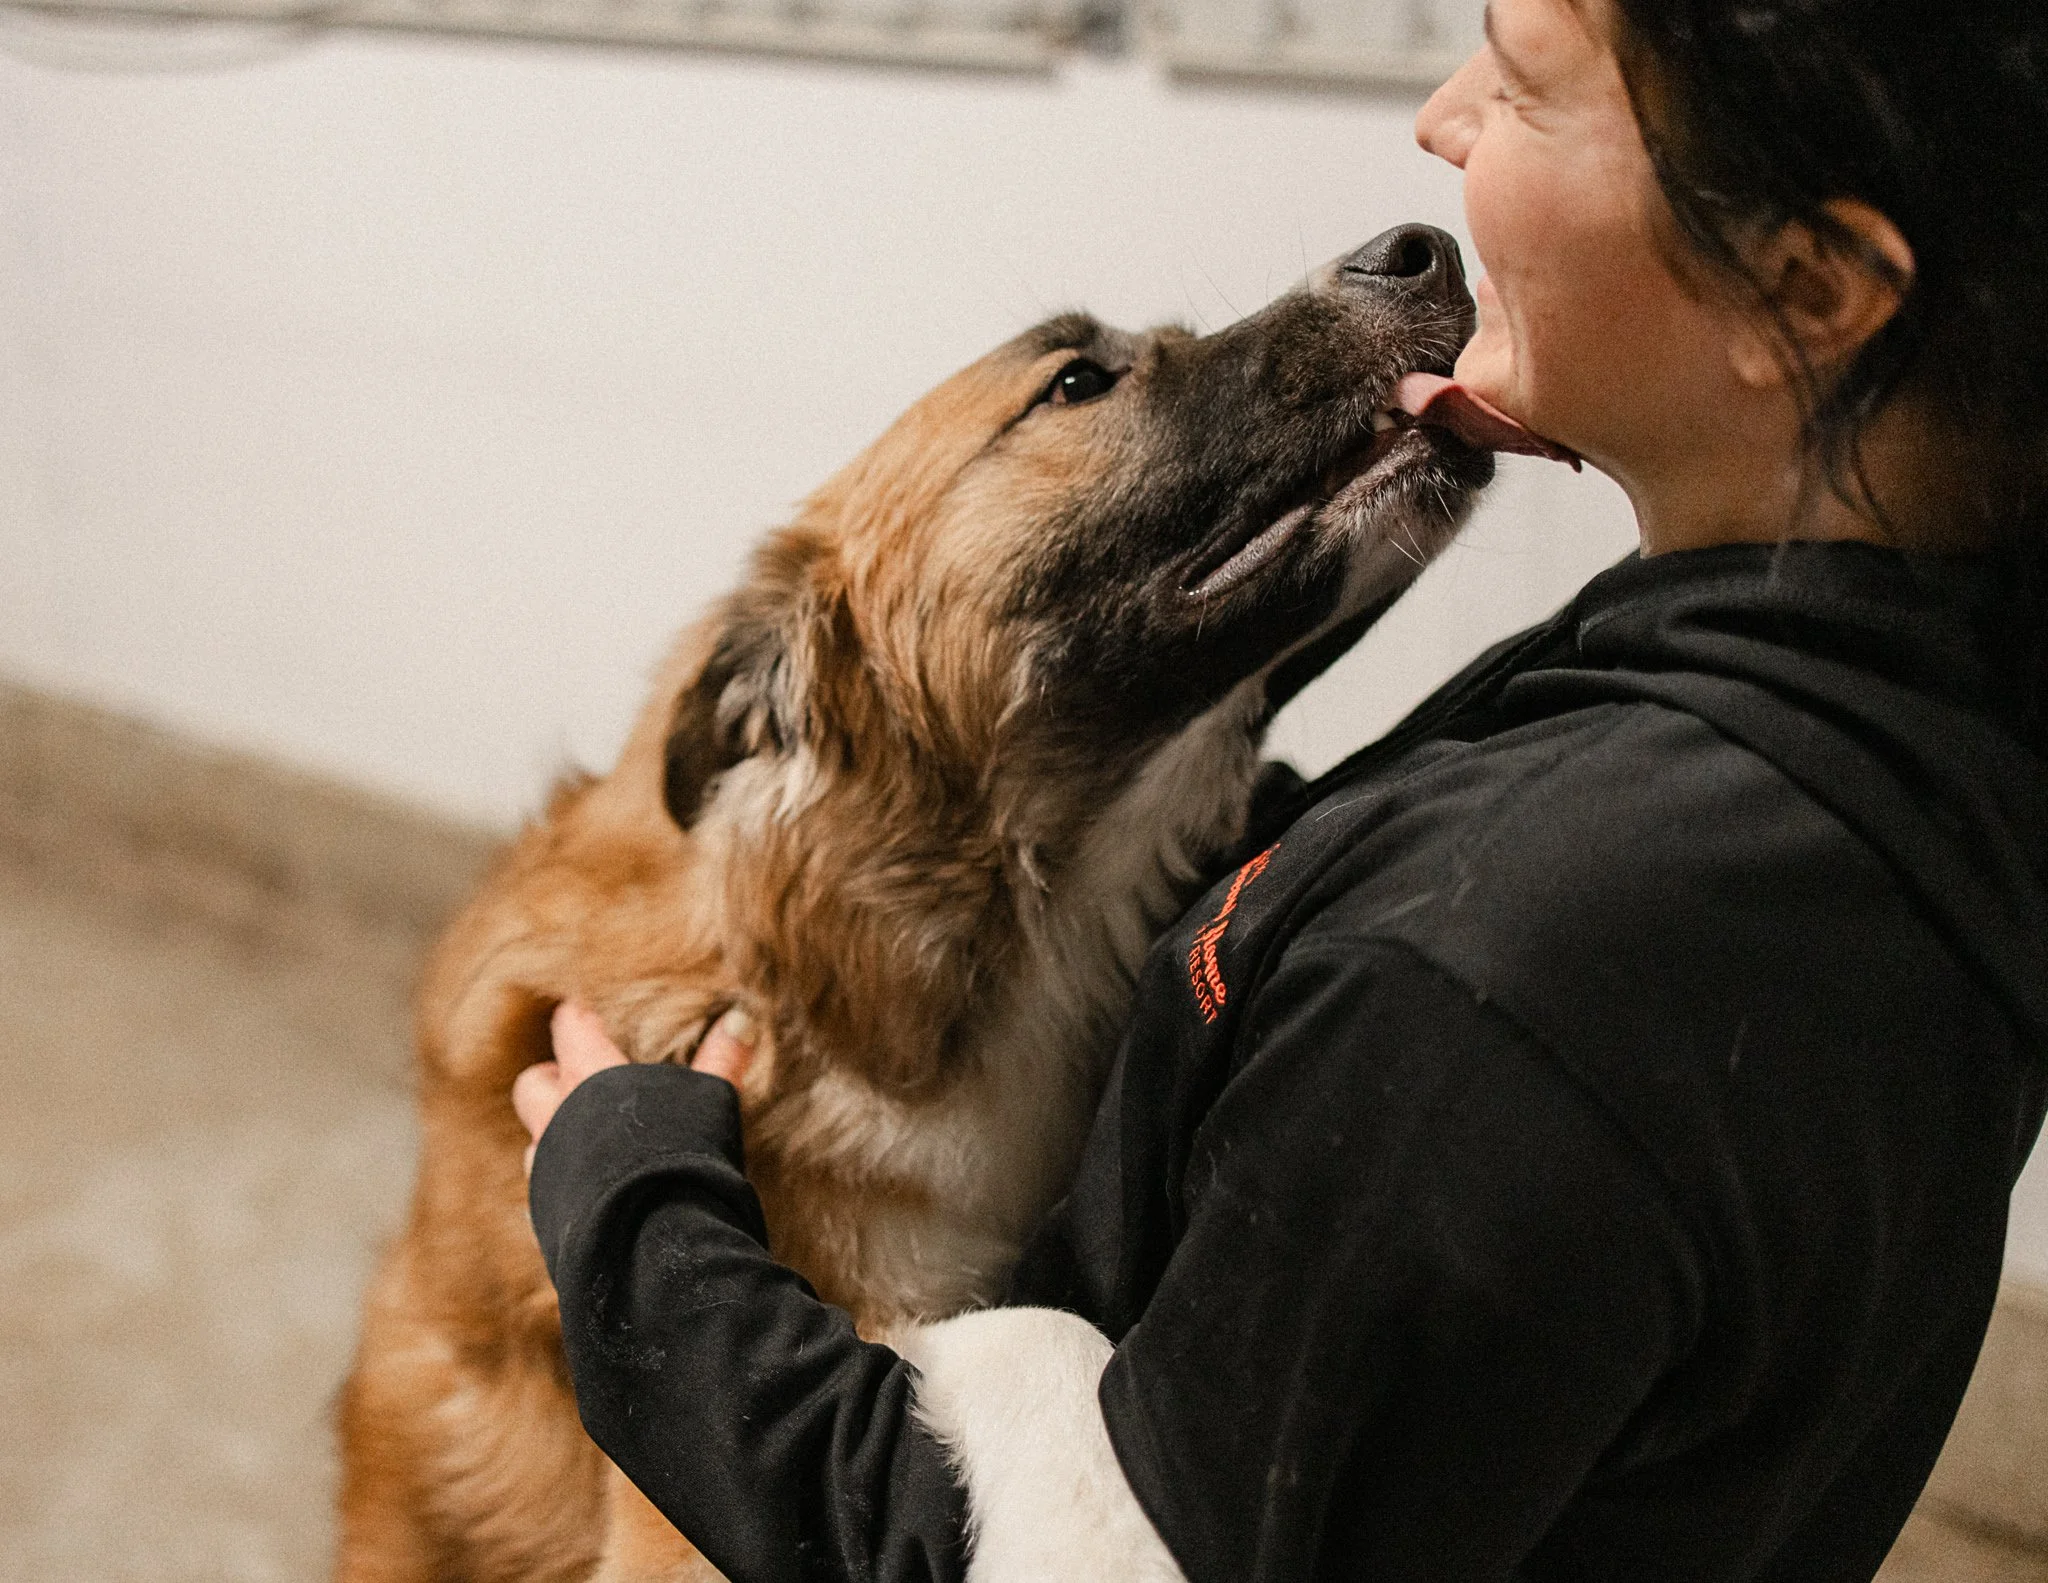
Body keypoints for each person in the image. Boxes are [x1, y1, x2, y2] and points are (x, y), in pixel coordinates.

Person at [510, 0, 2048, 1577]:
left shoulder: (1492, 986)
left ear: (1807, 292)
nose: (1445, 119)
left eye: (1520, 79)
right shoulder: (1886, 733)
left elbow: (1095, 1552)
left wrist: (640, 1237)